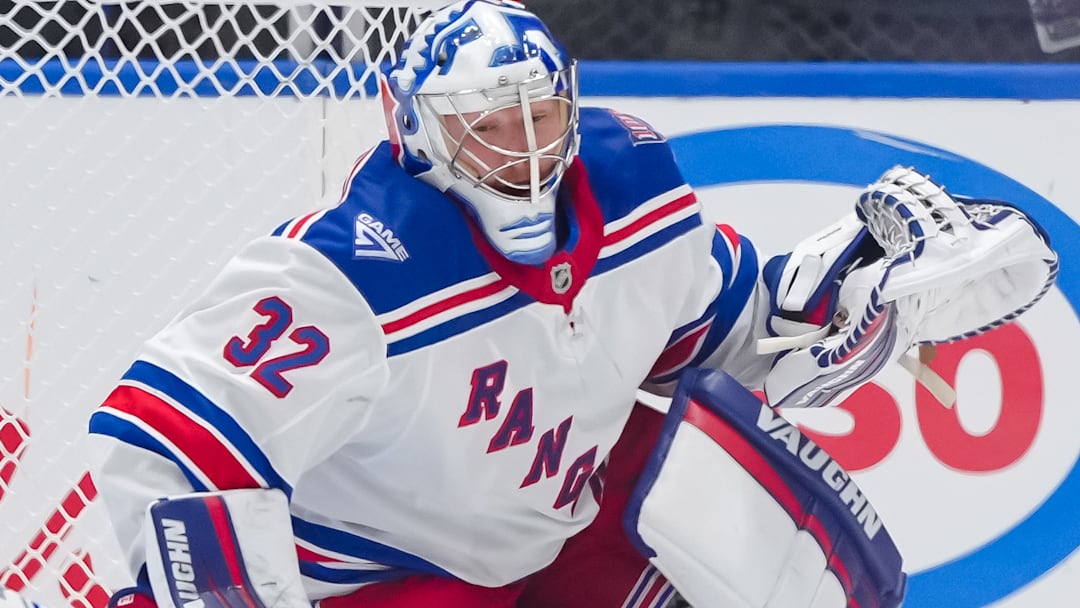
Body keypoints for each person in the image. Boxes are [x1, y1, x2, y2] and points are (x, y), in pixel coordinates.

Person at [87, 1, 1057, 607]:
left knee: (752, 533)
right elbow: (161, 446)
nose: (520, 149)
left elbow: (735, 342)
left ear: (571, 102)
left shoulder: (636, 191)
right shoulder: (348, 275)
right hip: (388, 576)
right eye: (486, 126)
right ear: (417, 129)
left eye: (538, 116)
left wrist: (858, 287)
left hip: (562, 521)